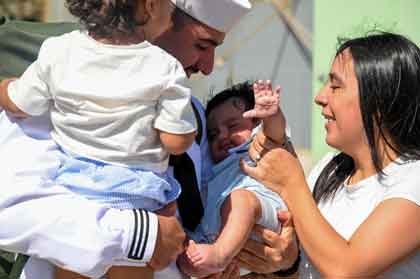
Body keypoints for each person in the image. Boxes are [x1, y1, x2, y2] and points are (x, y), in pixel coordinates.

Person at [0, 2, 299, 279]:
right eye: (202, 45)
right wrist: (145, 236)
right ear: (157, 15)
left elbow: (221, 203)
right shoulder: (66, 82)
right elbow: (11, 211)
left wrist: (280, 256)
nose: (208, 66)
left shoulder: (194, 114)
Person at [1, 1, 198, 277]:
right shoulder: (165, 68)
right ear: (150, 6)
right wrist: (186, 131)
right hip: (136, 198)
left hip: (75, 190)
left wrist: (6, 88)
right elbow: (176, 141)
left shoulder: (58, 50)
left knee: (71, 266)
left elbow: (20, 103)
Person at [241, 31, 420, 279]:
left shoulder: (413, 179)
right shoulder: (331, 169)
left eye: (336, 86)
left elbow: (346, 269)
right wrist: (285, 262)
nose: (320, 97)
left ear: (380, 100)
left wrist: (292, 183)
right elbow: (309, 268)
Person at [177, 80, 288, 278]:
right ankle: (211, 264)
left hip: (261, 219)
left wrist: (271, 116)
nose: (223, 136)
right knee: (185, 255)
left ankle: (220, 254)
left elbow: (275, 131)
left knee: (241, 199)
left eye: (232, 125)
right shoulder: (213, 167)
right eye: (213, 134)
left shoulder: (260, 144)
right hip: (222, 236)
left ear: (256, 123)